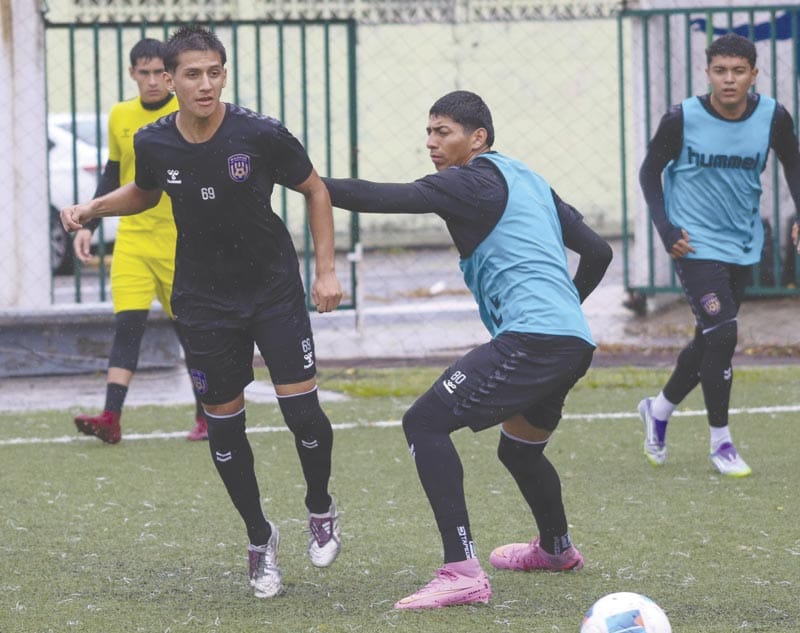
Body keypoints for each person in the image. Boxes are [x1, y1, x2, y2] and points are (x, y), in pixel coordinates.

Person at [61, 25, 343, 599]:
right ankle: (260, 538)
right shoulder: (154, 140)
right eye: (193, 73)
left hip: (272, 290)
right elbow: (145, 190)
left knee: (302, 414)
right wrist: (94, 207)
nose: (206, 83)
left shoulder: (261, 133)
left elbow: (315, 190)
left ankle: (320, 504)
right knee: (224, 423)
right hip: (204, 299)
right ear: (169, 79)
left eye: (215, 71)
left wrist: (326, 270)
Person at [323, 90, 612, 609]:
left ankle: (462, 571)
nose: (431, 142)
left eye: (444, 132)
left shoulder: (469, 180)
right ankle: (555, 549)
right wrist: (565, 308)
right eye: (429, 132)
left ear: (477, 138)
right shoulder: (527, 177)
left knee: (424, 423)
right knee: (519, 450)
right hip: (570, 340)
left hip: (536, 339)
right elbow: (599, 251)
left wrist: (304, 182)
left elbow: (378, 198)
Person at [638, 33, 800, 477]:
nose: (729, 80)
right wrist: (666, 228)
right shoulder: (682, 119)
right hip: (694, 242)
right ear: (708, 73)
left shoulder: (772, 117)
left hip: (743, 241)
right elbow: (650, 172)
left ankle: (658, 410)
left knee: (710, 337)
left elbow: (793, 162)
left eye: (738, 71)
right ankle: (721, 442)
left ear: (753, 74)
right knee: (724, 332)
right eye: (720, 71)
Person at [71, 38, 208, 444]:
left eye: (157, 74)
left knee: (193, 333)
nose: (152, 82)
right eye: (143, 73)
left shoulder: (185, 112)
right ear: (132, 73)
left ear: (169, 76)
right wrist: (89, 225)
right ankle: (110, 418)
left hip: (179, 242)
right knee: (127, 326)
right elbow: (114, 173)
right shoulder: (120, 116)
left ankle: (208, 415)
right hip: (132, 240)